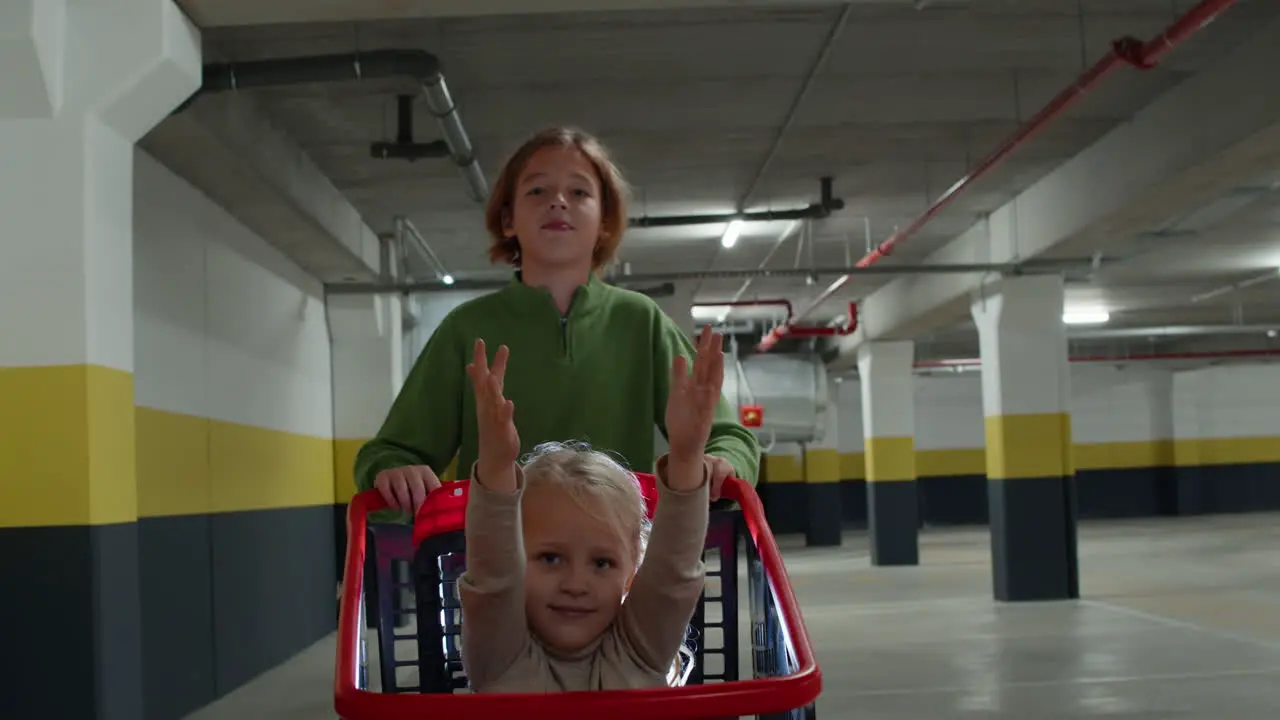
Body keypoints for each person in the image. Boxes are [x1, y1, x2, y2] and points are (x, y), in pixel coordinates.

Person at [353, 126, 759, 514]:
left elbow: (728, 437)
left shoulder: (641, 322)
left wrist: (723, 461)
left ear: (604, 222)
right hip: (497, 562)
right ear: (508, 219)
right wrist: (393, 471)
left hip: (615, 565)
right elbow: (390, 452)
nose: (558, 201)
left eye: (579, 191)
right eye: (537, 190)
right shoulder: (468, 328)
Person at [458, 324, 724, 691]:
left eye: (602, 563)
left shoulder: (640, 649)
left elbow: (672, 573)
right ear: (515, 559)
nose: (576, 584)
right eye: (551, 558)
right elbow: (493, 579)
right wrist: (496, 466)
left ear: (631, 571)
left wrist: (688, 456)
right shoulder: (500, 655)